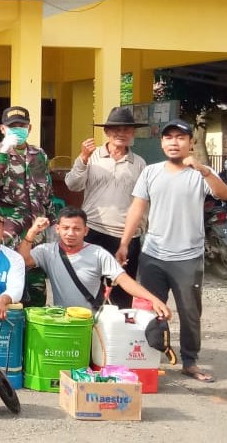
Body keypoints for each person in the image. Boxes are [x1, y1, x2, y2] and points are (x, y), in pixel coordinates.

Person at [118, 119, 227, 383]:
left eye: (180, 138)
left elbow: (224, 194)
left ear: (190, 143)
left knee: (190, 312)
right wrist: (124, 243)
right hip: (153, 254)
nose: (174, 142)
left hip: (187, 257)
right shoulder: (151, 172)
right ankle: (149, 359)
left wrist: (204, 171)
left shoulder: (200, 173)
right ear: (162, 143)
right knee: (150, 310)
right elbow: (137, 208)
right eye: (168, 137)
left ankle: (190, 361)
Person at [64, 107, 148, 308]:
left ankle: (116, 335)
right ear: (107, 132)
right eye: (116, 129)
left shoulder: (139, 163)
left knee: (121, 292)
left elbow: (143, 201)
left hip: (126, 236)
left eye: (127, 130)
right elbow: (72, 184)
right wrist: (82, 158)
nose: (121, 134)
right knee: (86, 286)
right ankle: (88, 332)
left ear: (133, 133)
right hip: (93, 230)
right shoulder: (91, 157)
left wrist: (140, 231)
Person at [16, 209, 170, 317]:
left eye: (77, 229)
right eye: (66, 228)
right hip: (63, 320)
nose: (70, 233)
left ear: (86, 231)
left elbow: (124, 280)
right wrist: (32, 232)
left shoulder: (98, 253)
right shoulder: (47, 251)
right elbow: (23, 260)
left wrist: (153, 299)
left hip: (92, 322)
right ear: (57, 229)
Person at [0, 105, 52, 307]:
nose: (17, 129)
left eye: (21, 125)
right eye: (12, 126)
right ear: (3, 129)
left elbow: (47, 191)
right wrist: (4, 151)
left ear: (29, 128)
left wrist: (53, 222)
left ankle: (35, 329)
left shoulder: (39, 155)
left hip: (37, 230)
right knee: (8, 283)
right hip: (9, 230)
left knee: (36, 285)